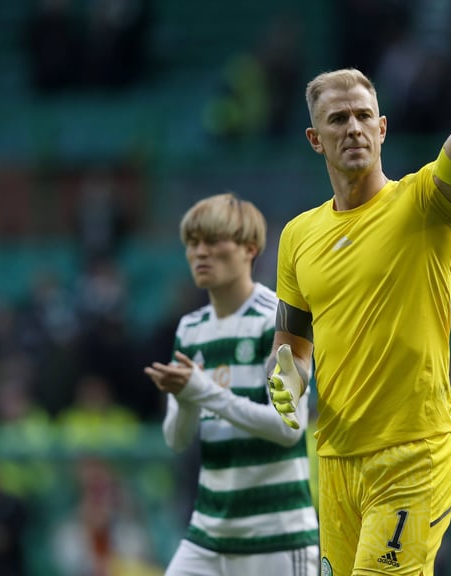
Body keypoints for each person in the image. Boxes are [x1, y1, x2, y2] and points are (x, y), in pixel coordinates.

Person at [263, 1, 451, 574]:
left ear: (383, 128)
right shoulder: (296, 237)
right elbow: (293, 341)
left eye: (363, 116)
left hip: (413, 454)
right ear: (315, 138)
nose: (353, 128)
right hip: (333, 461)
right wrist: (287, 374)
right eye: (338, 119)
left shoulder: (425, 204)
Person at [143, 193, 318, 576]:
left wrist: (203, 391)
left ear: (250, 249)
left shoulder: (279, 321)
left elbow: (288, 428)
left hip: (276, 535)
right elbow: (177, 439)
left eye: (212, 241)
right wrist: (188, 399)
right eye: (192, 243)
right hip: (208, 534)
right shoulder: (190, 329)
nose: (199, 252)